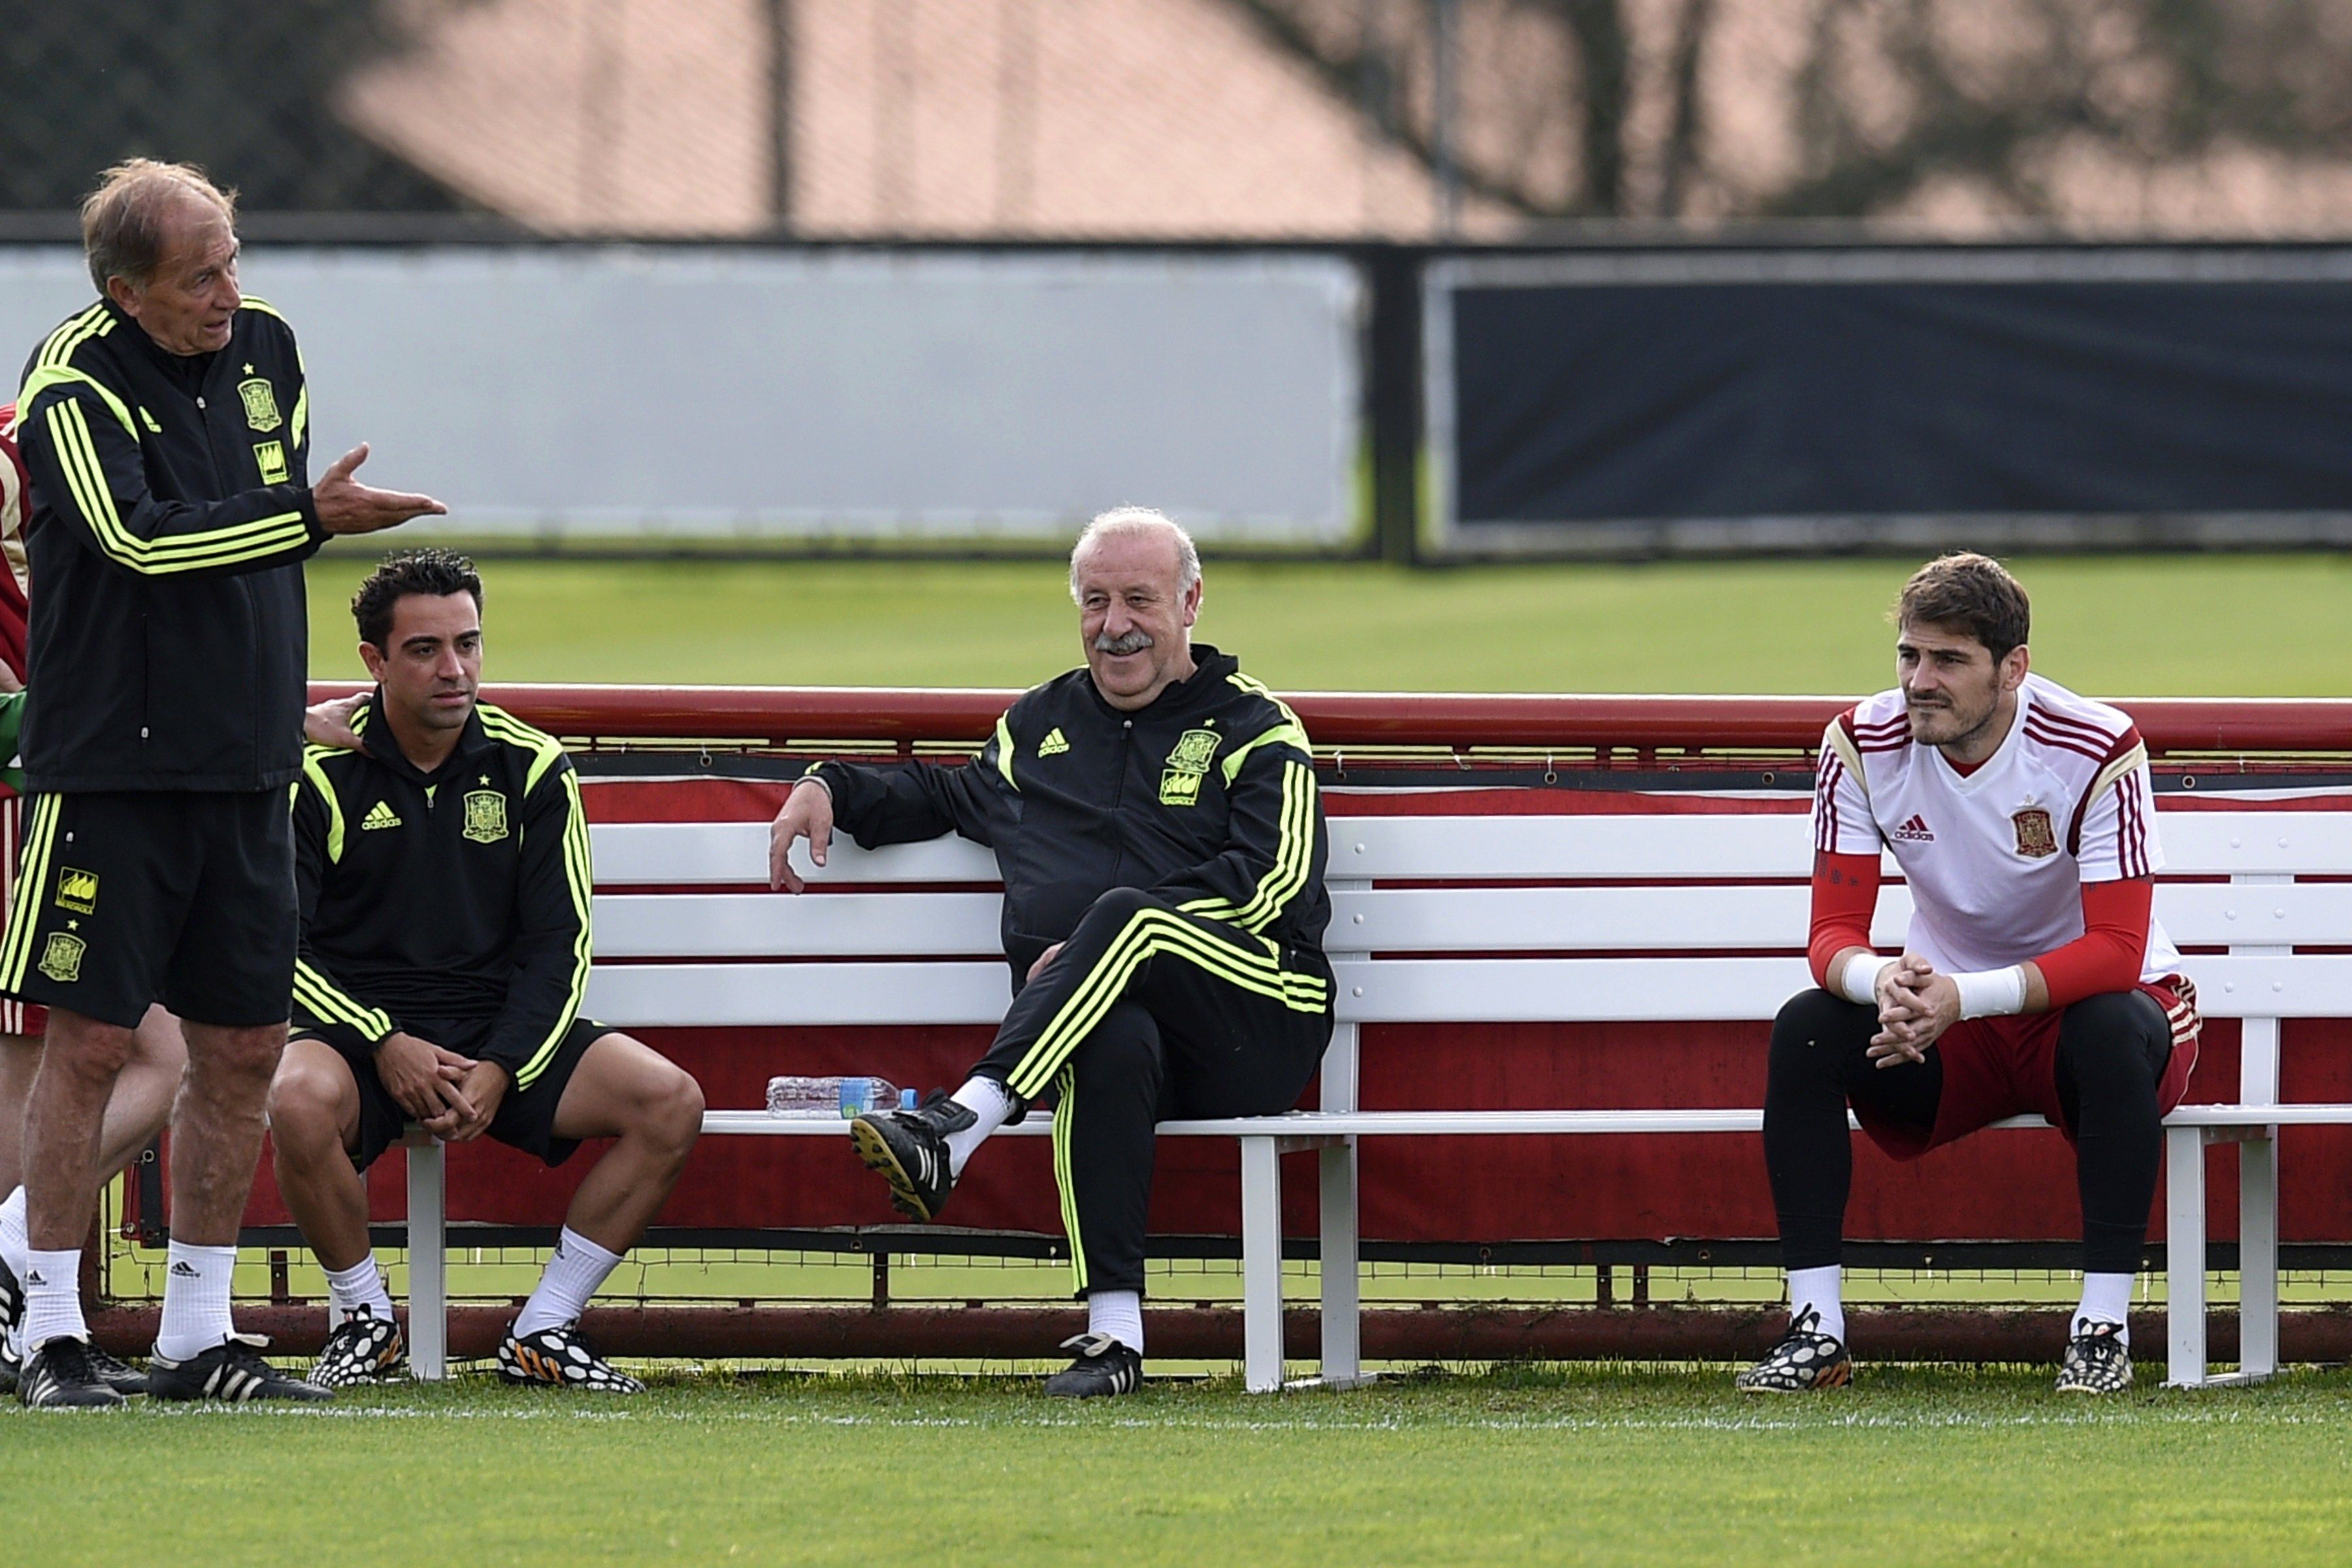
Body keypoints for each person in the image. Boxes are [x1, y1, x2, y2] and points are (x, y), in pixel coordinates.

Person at [4, 161, 444, 1407]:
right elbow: (139, 543)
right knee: (90, 1046)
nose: (228, 293)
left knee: (245, 1045)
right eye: (199, 277)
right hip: (112, 770)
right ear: (124, 291)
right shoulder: (69, 386)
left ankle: (197, 1336)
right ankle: (49, 1333)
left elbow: (249, 529)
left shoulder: (269, 350)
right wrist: (309, 516)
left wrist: (291, 543)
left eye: (233, 260)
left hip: (250, 767)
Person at [768, 507, 1333, 1397]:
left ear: (1191, 603)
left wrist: (1104, 944)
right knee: (1107, 1034)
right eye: (1096, 601)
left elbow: (1276, 883)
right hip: (1102, 1031)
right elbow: (947, 796)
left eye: (1140, 600)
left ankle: (959, 1126)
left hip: (1256, 1018)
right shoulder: (1039, 725)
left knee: (1127, 918)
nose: (1115, 626)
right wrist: (827, 784)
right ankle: (1115, 1341)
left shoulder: (1257, 728)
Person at [1740, 553, 2198, 1397]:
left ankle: (2101, 1329)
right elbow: (1830, 935)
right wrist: (1883, 983)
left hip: (2094, 1014)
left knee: (2111, 1025)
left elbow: (2117, 950)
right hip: (1956, 1023)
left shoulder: (2098, 743)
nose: (1921, 681)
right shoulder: (1860, 741)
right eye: (1910, 655)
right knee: (1808, 1025)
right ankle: (1816, 1329)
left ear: (2012, 668)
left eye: (1949, 660)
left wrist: (1963, 996)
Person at [267, 549, 704, 1392]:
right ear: (374, 661)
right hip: (360, 1038)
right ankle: (365, 1321)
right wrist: (383, 1040)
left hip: (495, 1031)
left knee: (670, 1101)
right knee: (295, 1096)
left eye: (467, 644)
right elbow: (281, 945)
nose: (455, 669)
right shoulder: (318, 771)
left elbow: (561, 944)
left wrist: (505, 1064)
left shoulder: (532, 764)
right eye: (425, 649)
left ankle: (545, 1327)